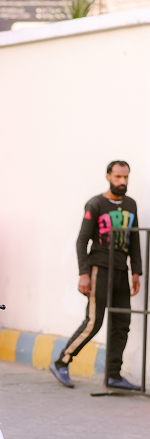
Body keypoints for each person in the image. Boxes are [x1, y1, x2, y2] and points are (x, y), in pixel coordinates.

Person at [50, 160, 142, 390]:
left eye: (125, 177)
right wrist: (84, 273)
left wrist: (136, 271)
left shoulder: (131, 204)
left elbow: (134, 240)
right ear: (108, 176)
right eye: (118, 176)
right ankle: (62, 362)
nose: (122, 181)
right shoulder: (96, 203)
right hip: (99, 269)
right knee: (94, 322)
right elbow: (82, 240)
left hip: (122, 271)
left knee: (122, 323)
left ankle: (113, 375)